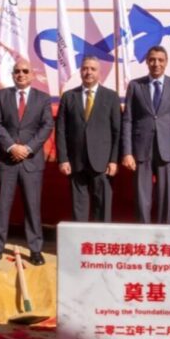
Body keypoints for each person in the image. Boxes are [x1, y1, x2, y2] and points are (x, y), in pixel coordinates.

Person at [0, 58, 54, 266]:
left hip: (31, 161)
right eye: (17, 71)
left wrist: (27, 148)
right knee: (1, 207)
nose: (21, 74)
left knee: (33, 207)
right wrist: (11, 146)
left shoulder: (43, 98)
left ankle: (35, 249)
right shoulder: (1, 95)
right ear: (12, 74)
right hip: (6, 160)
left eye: (25, 71)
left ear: (32, 74)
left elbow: (47, 125)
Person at [121, 45, 170, 224]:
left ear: (166, 62)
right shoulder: (135, 85)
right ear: (147, 62)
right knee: (142, 198)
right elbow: (127, 120)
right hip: (141, 149)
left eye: (160, 60)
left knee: (166, 198)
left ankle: (163, 234)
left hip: (168, 150)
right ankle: (143, 234)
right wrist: (127, 152)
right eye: (152, 60)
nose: (156, 63)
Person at [55, 55, 120, 223]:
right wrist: (63, 159)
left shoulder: (111, 97)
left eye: (92, 69)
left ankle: (101, 238)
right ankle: (80, 238)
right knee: (78, 208)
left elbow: (117, 131)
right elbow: (61, 130)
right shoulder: (69, 96)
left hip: (102, 162)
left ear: (99, 72)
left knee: (102, 207)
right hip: (76, 162)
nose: (88, 72)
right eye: (85, 69)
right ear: (80, 72)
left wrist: (114, 160)